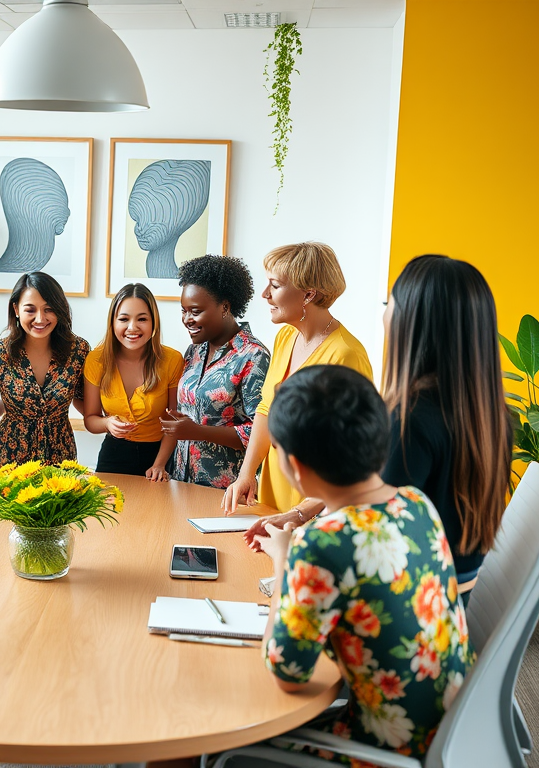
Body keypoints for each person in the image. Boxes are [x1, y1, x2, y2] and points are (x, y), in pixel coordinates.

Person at [255, 364, 473, 761]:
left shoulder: (323, 544)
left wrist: (283, 564)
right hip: (452, 728)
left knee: (226, 735)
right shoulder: (415, 501)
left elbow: (287, 674)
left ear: (296, 467)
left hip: (382, 747)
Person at [378, 254, 512, 601]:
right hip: (452, 596)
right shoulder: (489, 415)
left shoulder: (410, 418)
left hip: (409, 611)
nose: (384, 313)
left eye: (389, 302)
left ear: (412, 322)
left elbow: (375, 536)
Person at [223, 242, 372, 515]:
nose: (264, 294)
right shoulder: (285, 337)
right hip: (272, 494)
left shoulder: (346, 355)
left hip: (316, 509)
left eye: (275, 286)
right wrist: (246, 474)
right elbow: (266, 410)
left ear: (308, 295)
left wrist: (300, 513)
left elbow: (354, 456)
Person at [161, 255, 271, 489]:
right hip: (180, 484)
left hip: (224, 491)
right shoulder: (194, 351)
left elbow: (260, 431)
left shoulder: (253, 355)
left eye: (196, 311)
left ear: (225, 307)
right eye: (184, 311)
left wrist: (198, 431)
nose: (187, 319)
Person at [0, 272, 91, 470]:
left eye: (49, 309)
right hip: (8, 458)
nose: (40, 318)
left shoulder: (79, 350)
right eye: (30, 310)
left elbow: (84, 400)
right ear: (16, 309)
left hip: (60, 458)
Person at [83, 284, 183, 479]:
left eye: (142, 319)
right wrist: (107, 423)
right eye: (124, 319)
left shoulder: (172, 360)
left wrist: (159, 465)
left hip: (158, 456)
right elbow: (90, 420)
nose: (132, 328)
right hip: (112, 456)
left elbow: (174, 423)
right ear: (112, 322)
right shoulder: (96, 360)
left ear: (154, 323)